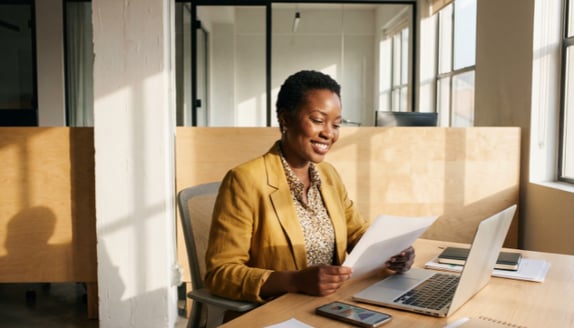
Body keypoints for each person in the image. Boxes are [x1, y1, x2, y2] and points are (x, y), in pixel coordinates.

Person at [204, 70, 415, 304]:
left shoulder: (328, 175)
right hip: (278, 308)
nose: (328, 133)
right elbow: (220, 274)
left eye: (336, 124)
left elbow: (355, 232)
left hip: (334, 302)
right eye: (317, 120)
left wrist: (393, 251)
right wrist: (295, 281)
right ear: (285, 119)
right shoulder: (244, 180)